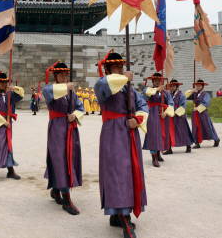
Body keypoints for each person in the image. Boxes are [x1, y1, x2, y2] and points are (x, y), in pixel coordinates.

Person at [94, 51, 149, 238]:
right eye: (116, 66)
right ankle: (125, 220)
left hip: (130, 133)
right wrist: (123, 77)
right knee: (117, 173)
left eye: (121, 66)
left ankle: (117, 215)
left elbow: (143, 105)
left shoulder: (129, 88)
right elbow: (107, 87)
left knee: (130, 172)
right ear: (108, 68)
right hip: (113, 133)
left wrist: (138, 119)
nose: (120, 69)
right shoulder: (102, 83)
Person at [42, 61, 84, 215]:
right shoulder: (49, 88)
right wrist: (66, 87)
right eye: (61, 74)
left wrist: (76, 115)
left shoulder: (72, 92)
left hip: (70, 128)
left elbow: (81, 107)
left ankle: (55, 189)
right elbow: (48, 93)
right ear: (55, 76)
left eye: (66, 74)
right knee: (60, 158)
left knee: (67, 158)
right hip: (57, 128)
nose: (65, 77)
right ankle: (66, 200)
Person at [0, 72, 24, 179]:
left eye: (5, 83)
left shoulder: (9, 94)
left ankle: (10, 170)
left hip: (8, 123)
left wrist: (14, 88)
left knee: (8, 144)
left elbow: (21, 95)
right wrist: (2, 121)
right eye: (1, 83)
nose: (3, 85)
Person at [142, 72, 174, 167]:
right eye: (155, 80)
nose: (157, 81)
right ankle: (154, 157)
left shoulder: (166, 93)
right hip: (152, 114)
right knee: (153, 134)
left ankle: (159, 153)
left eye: (159, 80)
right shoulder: (148, 89)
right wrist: (156, 90)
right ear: (152, 81)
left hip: (163, 115)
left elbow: (171, 103)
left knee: (162, 134)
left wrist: (166, 112)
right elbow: (145, 95)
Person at [186, 80, 220, 148]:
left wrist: (198, 108)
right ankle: (197, 142)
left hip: (203, 113)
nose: (198, 87)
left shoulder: (206, 94)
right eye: (197, 85)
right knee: (195, 126)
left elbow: (206, 103)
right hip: (195, 113)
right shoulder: (194, 94)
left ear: (202, 86)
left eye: (199, 85)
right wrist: (191, 91)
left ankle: (216, 139)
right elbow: (186, 96)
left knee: (207, 126)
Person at [165, 79, 194, 154]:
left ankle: (188, 145)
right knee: (169, 131)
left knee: (183, 131)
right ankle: (169, 148)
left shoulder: (181, 95)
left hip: (179, 116)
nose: (172, 87)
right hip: (170, 116)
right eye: (171, 86)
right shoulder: (168, 95)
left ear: (177, 87)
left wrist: (175, 113)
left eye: (174, 86)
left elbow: (183, 106)